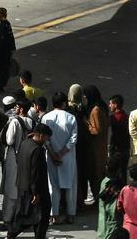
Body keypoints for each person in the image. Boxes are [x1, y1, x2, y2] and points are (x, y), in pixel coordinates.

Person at [6, 123, 52, 239]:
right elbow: (35, 173)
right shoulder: (38, 150)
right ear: (41, 135)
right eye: (46, 137)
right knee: (40, 215)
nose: (47, 140)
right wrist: (36, 193)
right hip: (36, 190)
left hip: (23, 186)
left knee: (24, 216)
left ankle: (11, 234)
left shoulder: (25, 144)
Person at [42, 92, 79, 224]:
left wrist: (53, 154)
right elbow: (73, 139)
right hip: (68, 157)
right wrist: (62, 153)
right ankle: (70, 214)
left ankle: (55, 215)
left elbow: (44, 139)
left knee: (53, 186)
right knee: (70, 186)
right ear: (64, 103)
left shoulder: (46, 118)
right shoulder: (71, 118)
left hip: (51, 157)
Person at [2, 97, 34, 224]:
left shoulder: (15, 122)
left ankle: (8, 218)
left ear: (20, 109)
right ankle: (22, 216)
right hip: (27, 158)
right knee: (23, 188)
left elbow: (9, 140)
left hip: (13, 157)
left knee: (11, 189)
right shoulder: (32, 122)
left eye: (16, 107)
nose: (14, 109)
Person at [83, 86, 110, 204]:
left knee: (96, 175)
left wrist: (86, 123)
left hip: (96, 148)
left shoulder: (95, 110)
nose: (84, 97)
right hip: (102, 146)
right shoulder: (102, 107)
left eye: (85, 95)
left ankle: (100, 199)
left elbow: (96, 130)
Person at [96, 156, 125, 239]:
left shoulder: (104, 182)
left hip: (104, 220)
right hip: (114, 220)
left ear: (106, 168)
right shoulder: (118, 184)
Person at [108, 95, 130, 174]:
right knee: (123, 172)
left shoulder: (113, 118)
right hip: (126, 150)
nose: (109, 106)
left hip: (116, 150)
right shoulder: (127, 117)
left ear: (115, 105)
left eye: (111, 104)